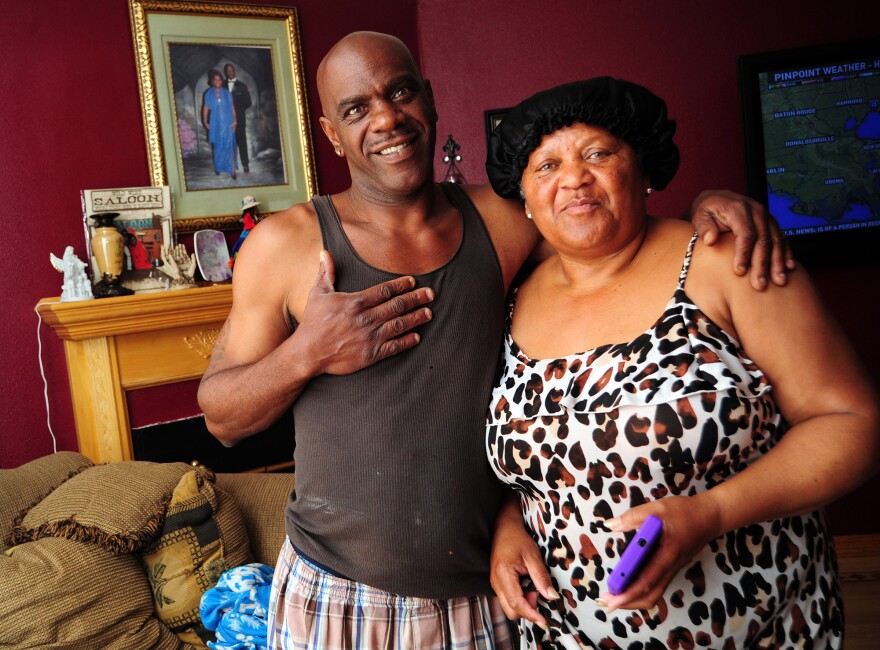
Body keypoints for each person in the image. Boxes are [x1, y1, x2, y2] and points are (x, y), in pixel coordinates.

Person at [196, 32, 793, 650]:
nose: (386, 118)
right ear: (331, 132)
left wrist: (710, 203)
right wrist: (307, 352)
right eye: (356, 108)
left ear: (429, 100)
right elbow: (222, 418)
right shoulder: (284, 244)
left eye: (401, 92)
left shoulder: (505, 220)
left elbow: (612, 231)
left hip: (489, 595)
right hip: (337, 592)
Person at [484, 77, 880, 649]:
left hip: (747, 625)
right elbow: (523, 459)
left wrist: (713, 512)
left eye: (598, 153)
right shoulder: (510, 295)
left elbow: (854, 422)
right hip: (567, 636)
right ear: (523, 196)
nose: (572, 177)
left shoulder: (728, 257)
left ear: (643, 169)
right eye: (545, 167)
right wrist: (507, 523)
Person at [202, 68, 238, 179]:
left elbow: (232, 108)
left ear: (222, 81)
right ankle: (218, 167)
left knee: (229, 146)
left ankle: (231, 170)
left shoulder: (227, 93)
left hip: (227, 123)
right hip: (216, 123)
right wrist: (205, 121)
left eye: (220, 79)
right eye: (215, 79)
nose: (218, 81)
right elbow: (206, 108)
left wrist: (235, 120)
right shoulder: (208, 94)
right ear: (212, 81)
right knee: (217, 146)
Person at [225, 64, 252, 173]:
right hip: (227, 120)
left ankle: (245, 164)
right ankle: (231, 165)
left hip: (240, 120)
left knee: (242, 142)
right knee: (229, 142)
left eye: (231, 70)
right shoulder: (222, 85)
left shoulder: (242, 86)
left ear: (234, 71)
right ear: (226, 72)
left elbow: (248, 102)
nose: (230, 72)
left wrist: (238, 111)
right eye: (228, 71)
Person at [228, 195, 264, 270]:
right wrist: (256, 226)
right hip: (247, 233)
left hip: (255, 233)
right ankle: (232, 260)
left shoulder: (255, 215)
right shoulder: (247, 216)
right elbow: (249, 225)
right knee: (239, 246)